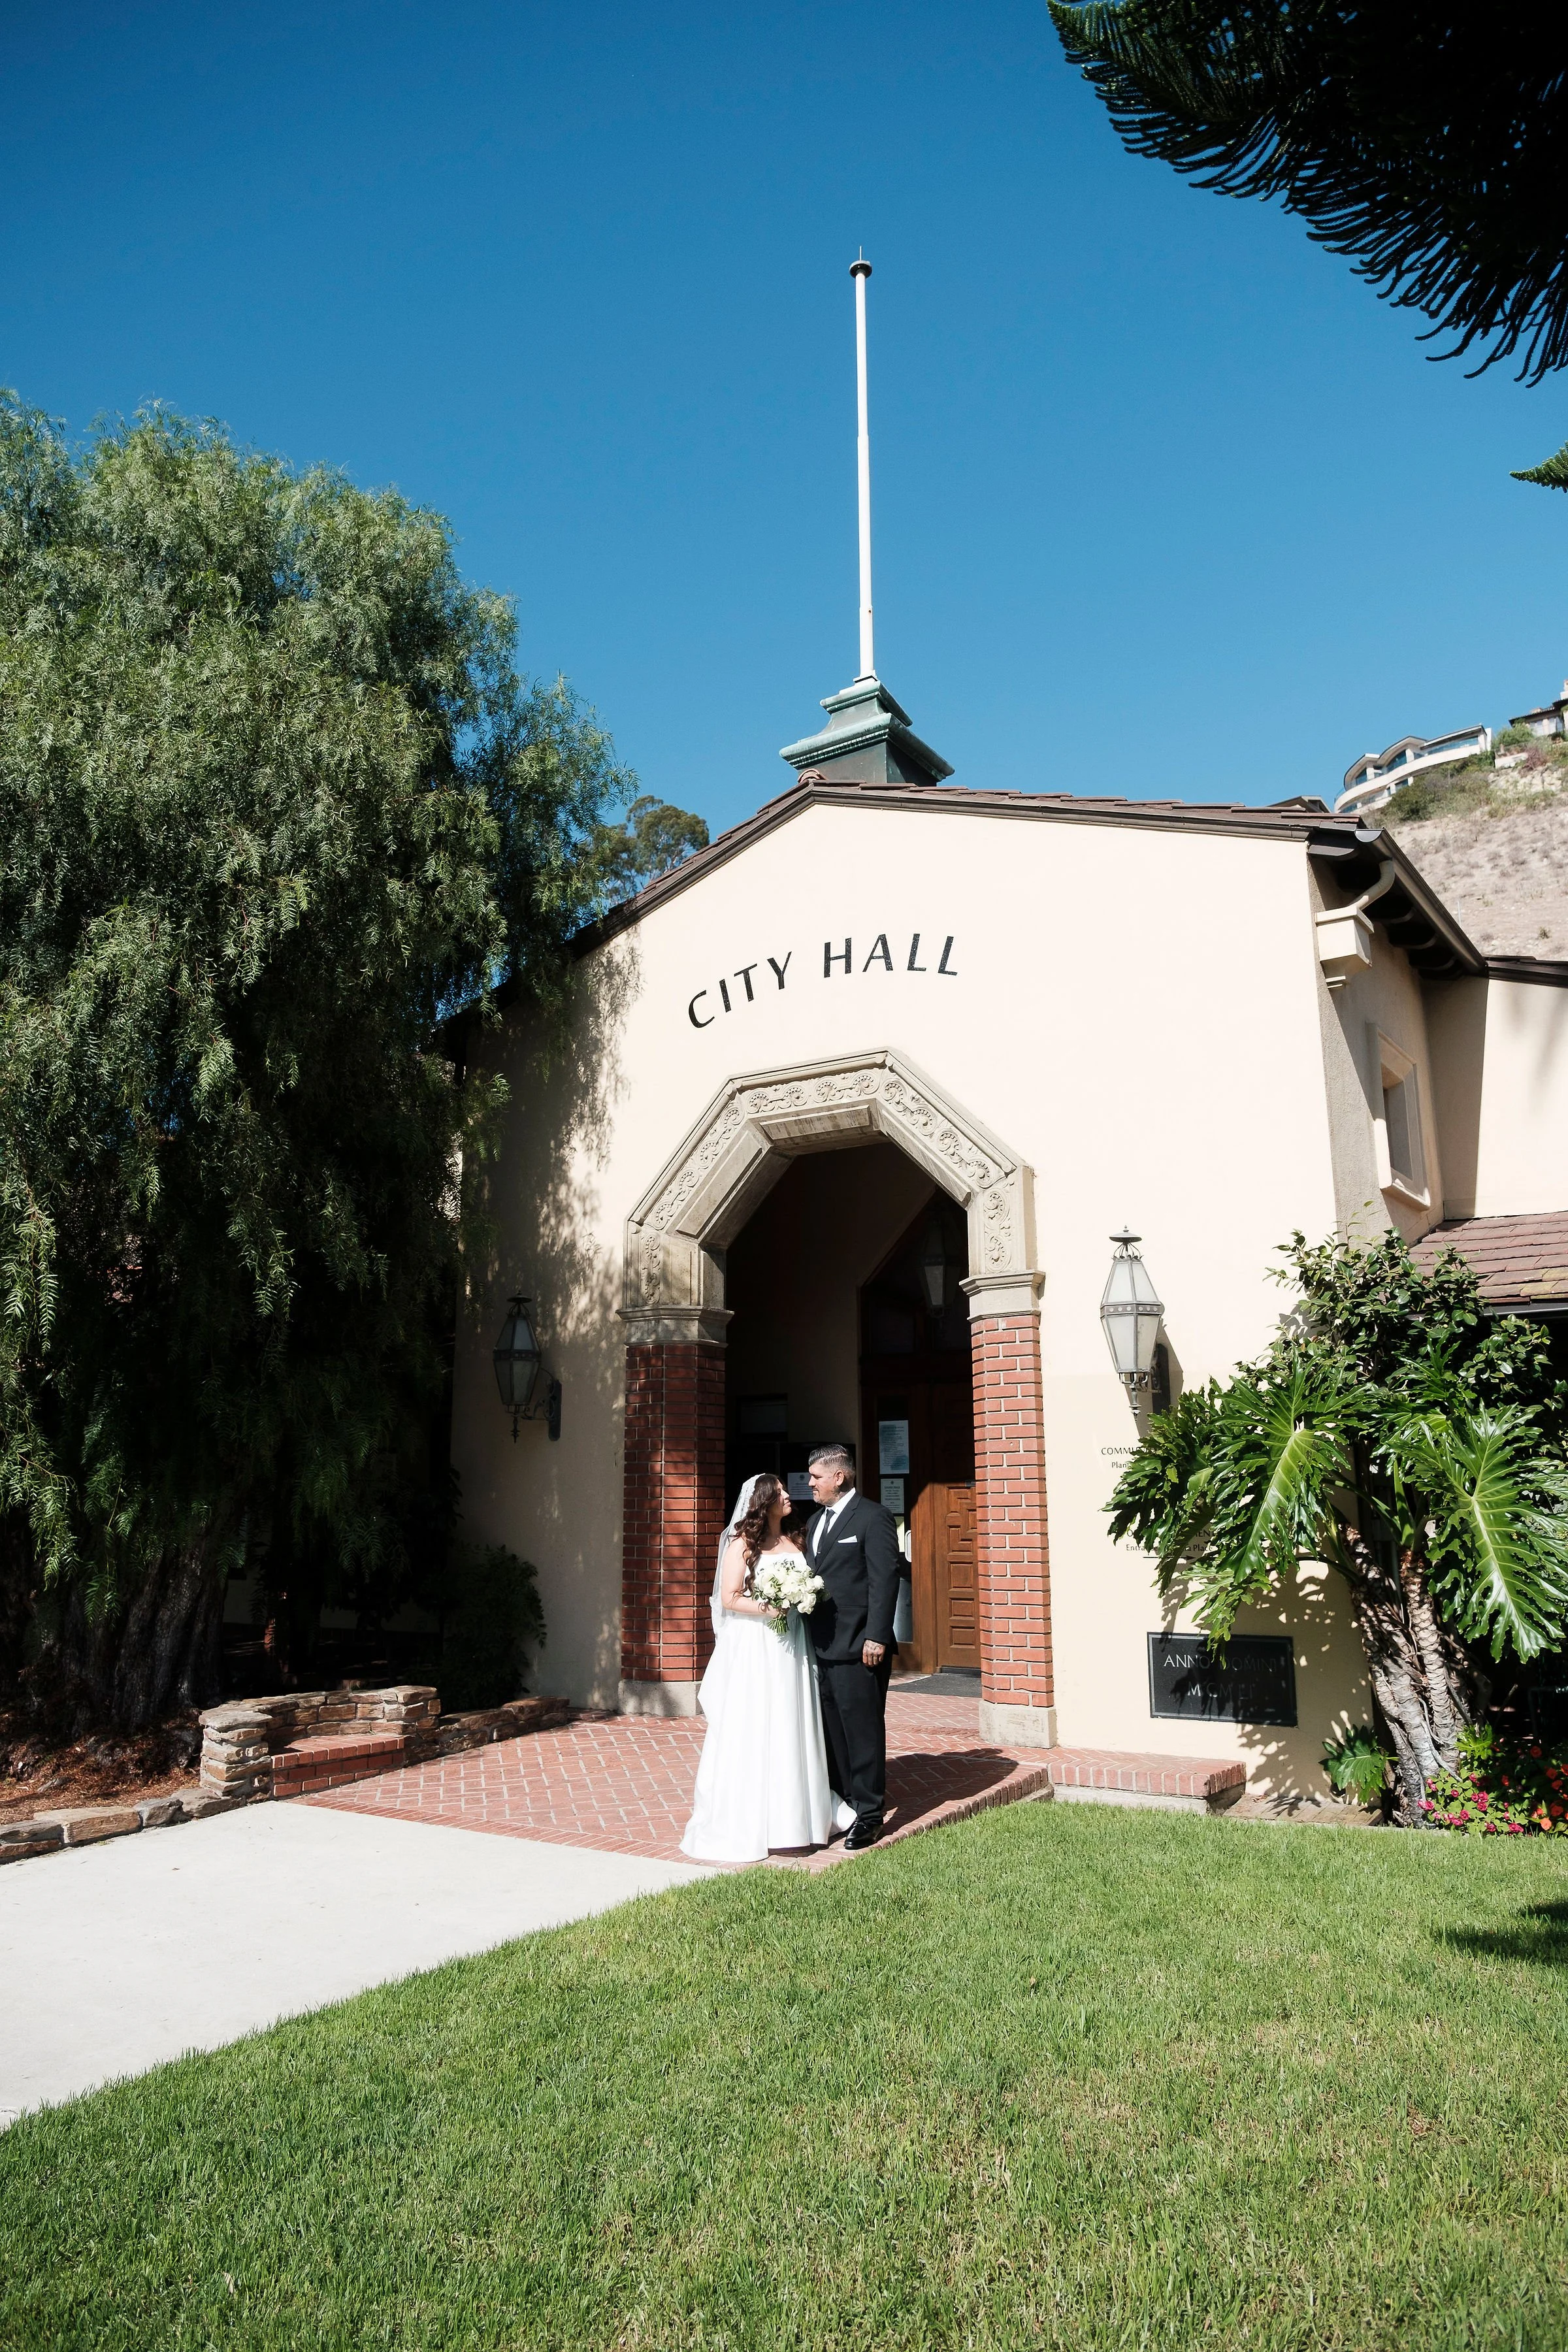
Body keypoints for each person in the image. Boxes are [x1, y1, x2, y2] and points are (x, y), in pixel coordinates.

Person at [679, 1471, 845, 1863]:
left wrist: (801, 1599)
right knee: (759, 1722)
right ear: (764, 1502)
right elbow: (729, 1598)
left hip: (792, 1643)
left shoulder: (794, 1539)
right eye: (782, 1492)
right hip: (758, 1646)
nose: (789, 1495)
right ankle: (757, 1819)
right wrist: (771, 1607)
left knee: (792, 1719)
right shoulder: (742, 1544)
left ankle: (797, 1818)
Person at [803, 1443, 901, 1850]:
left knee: (861, 1731)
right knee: (832, 1732)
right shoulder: (813, 1523)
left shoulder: (873, 1517)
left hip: (861, 1644)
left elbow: (885, 1579)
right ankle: (843, 1804)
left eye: (816, 1477)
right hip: (821, 1646)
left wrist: (876, 1634)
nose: (809, 1484)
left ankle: (869, 1814)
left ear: (839, 1477)